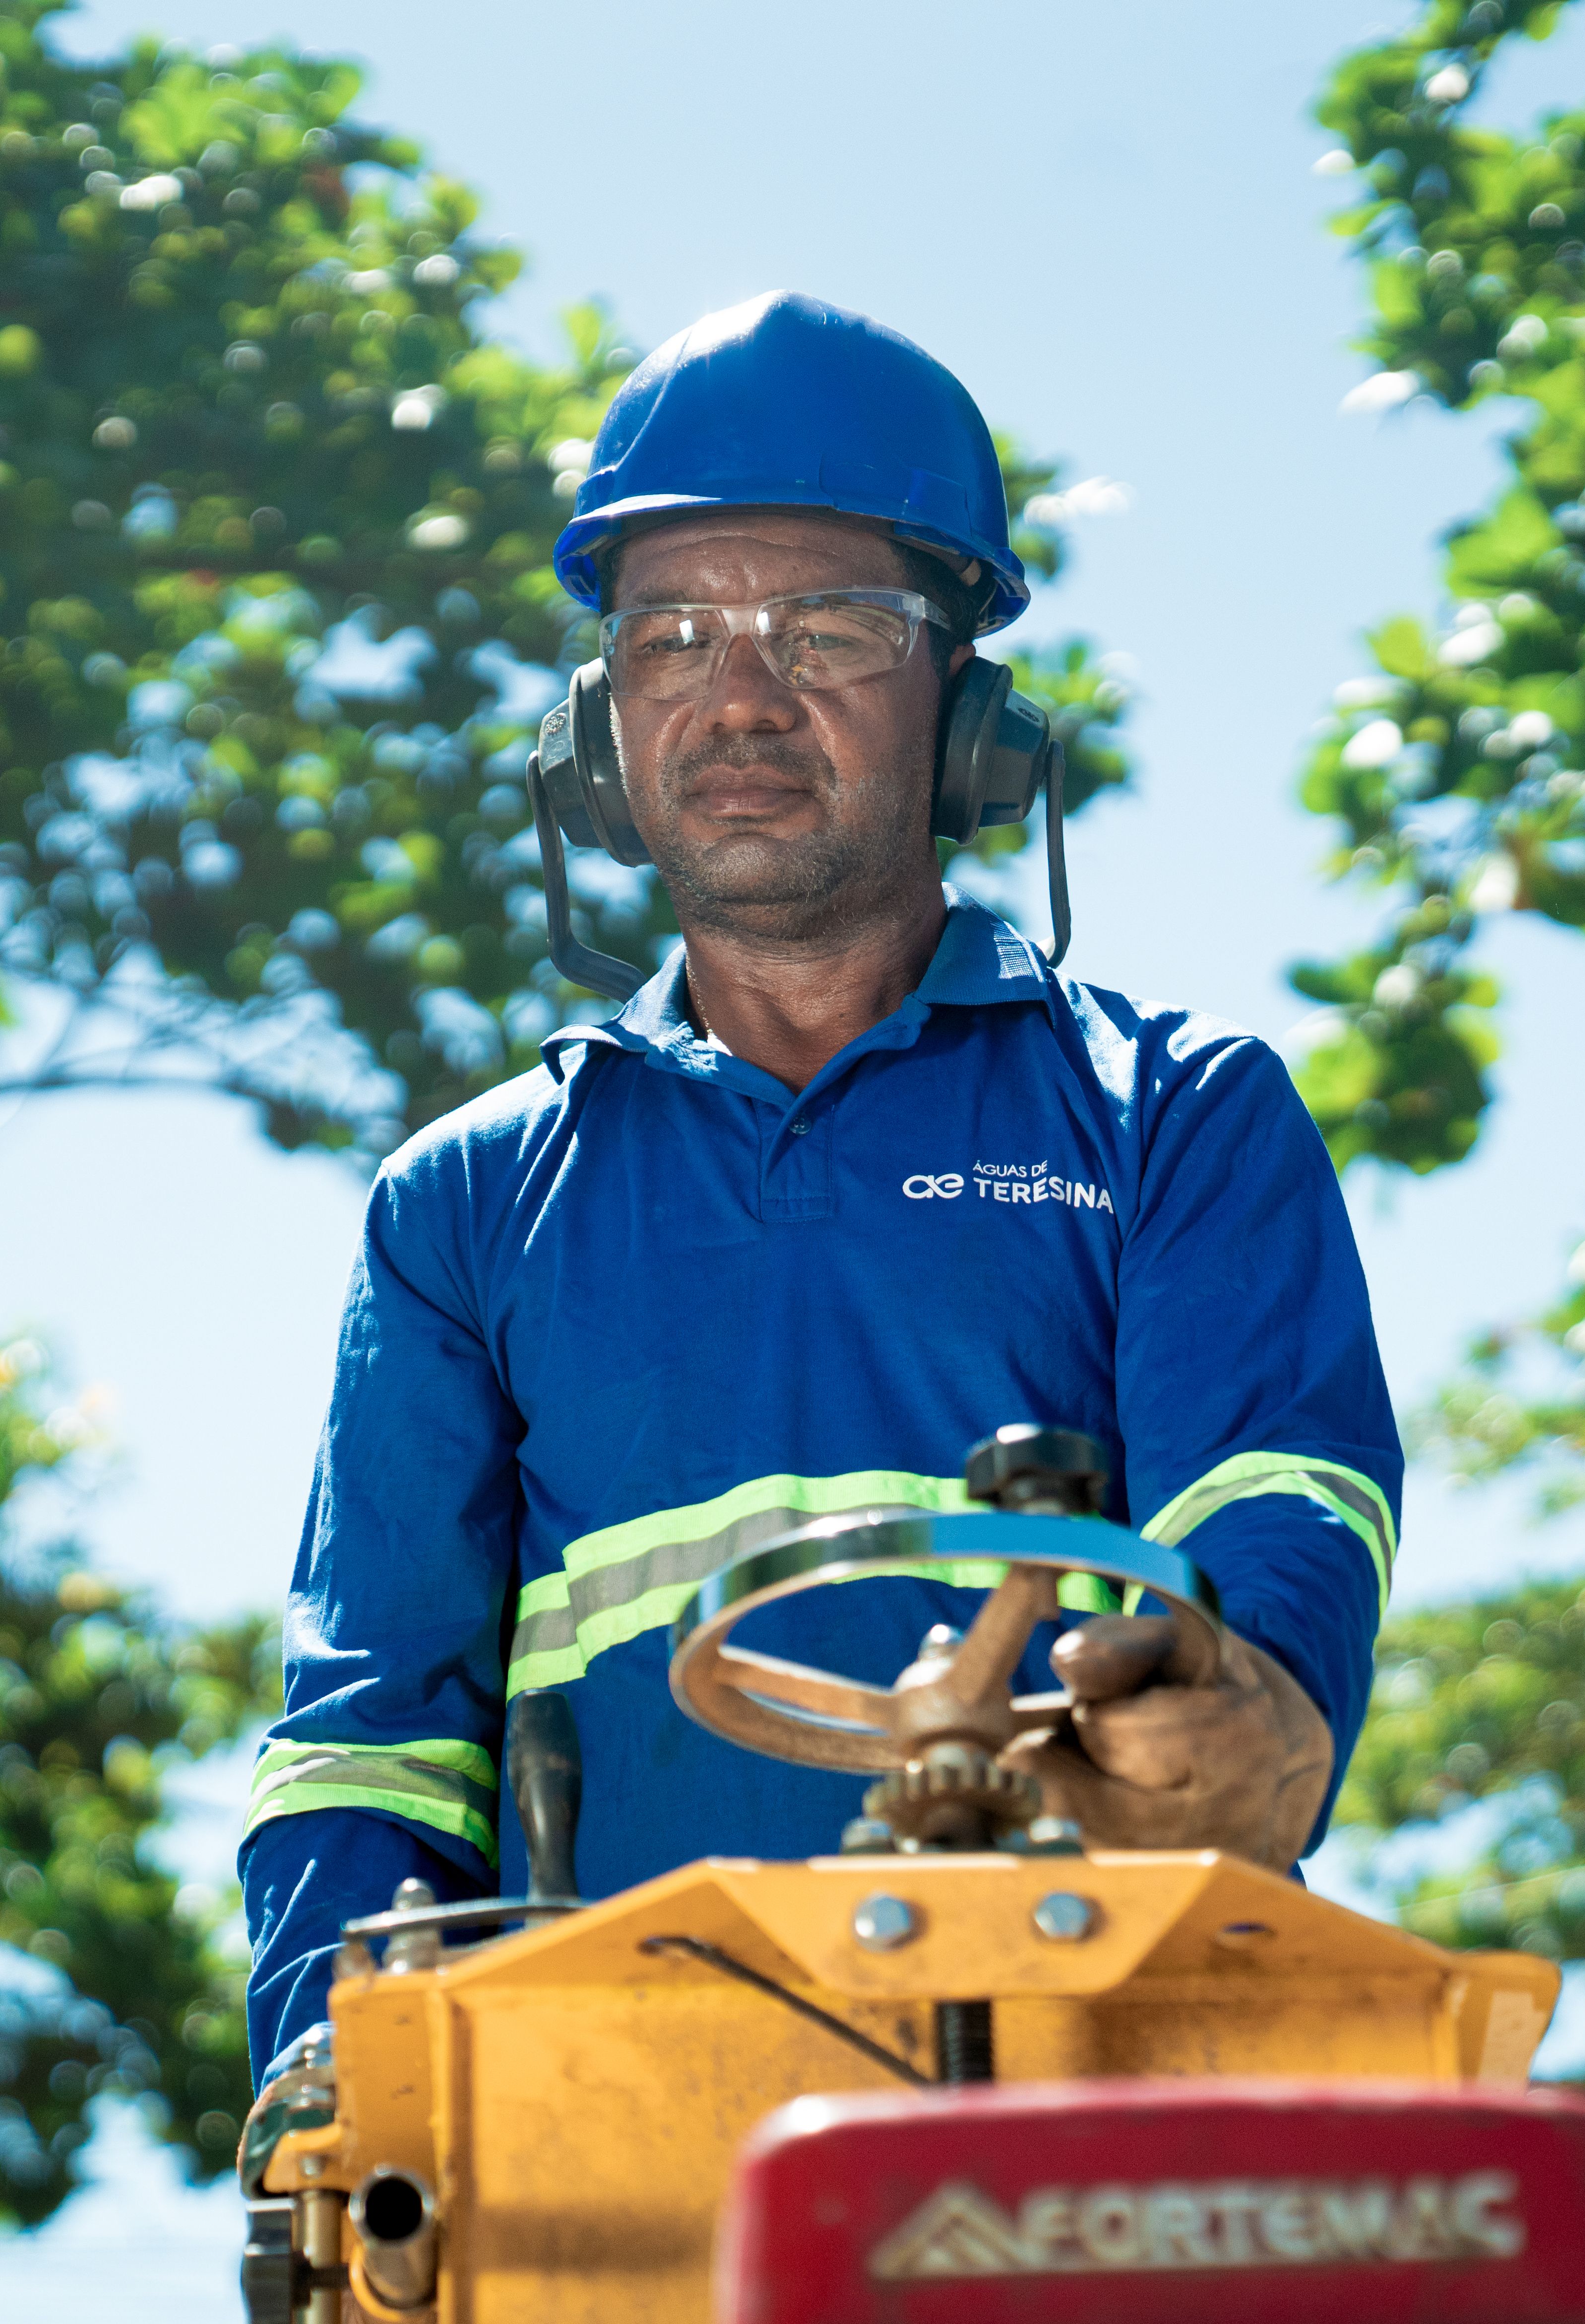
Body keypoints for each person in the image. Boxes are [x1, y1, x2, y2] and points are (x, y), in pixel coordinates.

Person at [239, 291, 1399, 2076]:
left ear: (971, 715)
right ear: (598, 727)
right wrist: (325, 2092)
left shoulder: (1175, 1113)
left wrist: (1242, 1704)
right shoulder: (464, 1208)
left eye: (831, 631)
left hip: (1083, 2109)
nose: (741, 696)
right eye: (674, 634)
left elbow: (1272, 1507)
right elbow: (372, 1734)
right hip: (606, 2150)